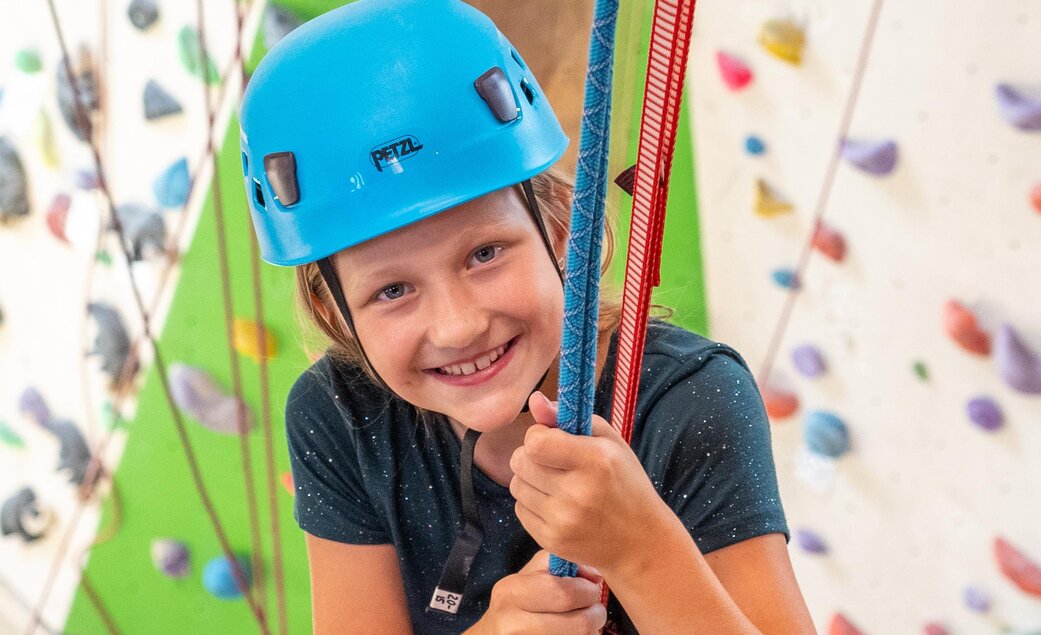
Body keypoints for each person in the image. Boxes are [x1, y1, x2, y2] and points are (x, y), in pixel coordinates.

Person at [240, 0, 815, 632]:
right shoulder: (343, 418)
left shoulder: (687, 404)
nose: (458, 326)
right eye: (394, 291)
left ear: (565, 231)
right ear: (335, 310)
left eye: (484, 253)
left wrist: (639, 551)